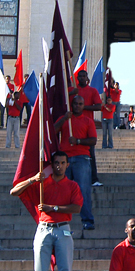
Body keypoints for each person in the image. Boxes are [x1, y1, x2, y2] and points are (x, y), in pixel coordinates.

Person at [10, 151, 83, 271]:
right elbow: (14, 191)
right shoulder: (42, 184)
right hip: (43, 229)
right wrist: (33, 180)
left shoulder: (72, 185)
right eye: (56, 162)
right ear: (52, 164)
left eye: (62, 162)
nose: (59, 166)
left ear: (67, 165)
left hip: (63, 229)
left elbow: (76, 208)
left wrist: (53, 208)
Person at [54, 95, 97, 230]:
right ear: (71, 105)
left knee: (83, 189)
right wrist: (64, 119)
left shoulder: (88, 121)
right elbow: (53, 130)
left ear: (83, 105)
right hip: (64, 159)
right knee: (61, 189)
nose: (78, 106)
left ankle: (87, 220)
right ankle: (59, 219)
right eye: (75, 103)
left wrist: (78, 141)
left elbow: (93, 140)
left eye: (80, 104)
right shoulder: (65, 119)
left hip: (81, 158)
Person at [76, 70, 103, 187]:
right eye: (80, 76)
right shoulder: (73, 91)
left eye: (84, 76)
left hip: (88, 125)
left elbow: (98, 106)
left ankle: (93, 178)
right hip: (74, 125)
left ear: (87, 78)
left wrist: (83, 107)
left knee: (90, 153)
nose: (82, 78)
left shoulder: (93, 91)